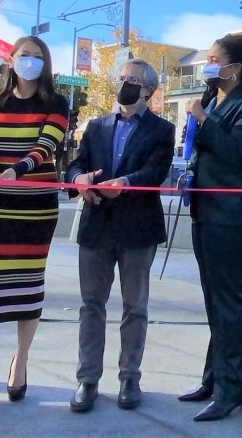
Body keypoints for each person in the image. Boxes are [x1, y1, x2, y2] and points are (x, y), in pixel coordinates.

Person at [177, 33, 242, 422]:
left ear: (235, 67)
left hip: (234, 214)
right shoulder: (213, 98)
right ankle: (214, 377)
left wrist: (203, 121)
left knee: (228, 300)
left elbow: (237, 152)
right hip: (207, 208)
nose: (208, 64)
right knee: (213, 298)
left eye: (214, 58)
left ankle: (232, 389)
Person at [66, 59, 175, 414]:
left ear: (148, 90)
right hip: (96, 225)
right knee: (91, 306)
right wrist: (80, 180)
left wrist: (125, 184)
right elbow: (77, 163)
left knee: (135, 307)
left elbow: (156, 171)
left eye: (133, 80)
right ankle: (87, 379)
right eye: (122, 78)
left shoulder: (162, 129)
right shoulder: (96, 126)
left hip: (137, 229)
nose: (125, 84)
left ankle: (130, 377)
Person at [0, 36, 69, 413]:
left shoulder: (56, 103)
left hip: (36, 206)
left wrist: (17, 168)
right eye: (24, 55)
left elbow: (48, 145)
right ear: (11, 60)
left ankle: (20, 361)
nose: (30, 62)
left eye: (38, 57)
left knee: (29, 287)